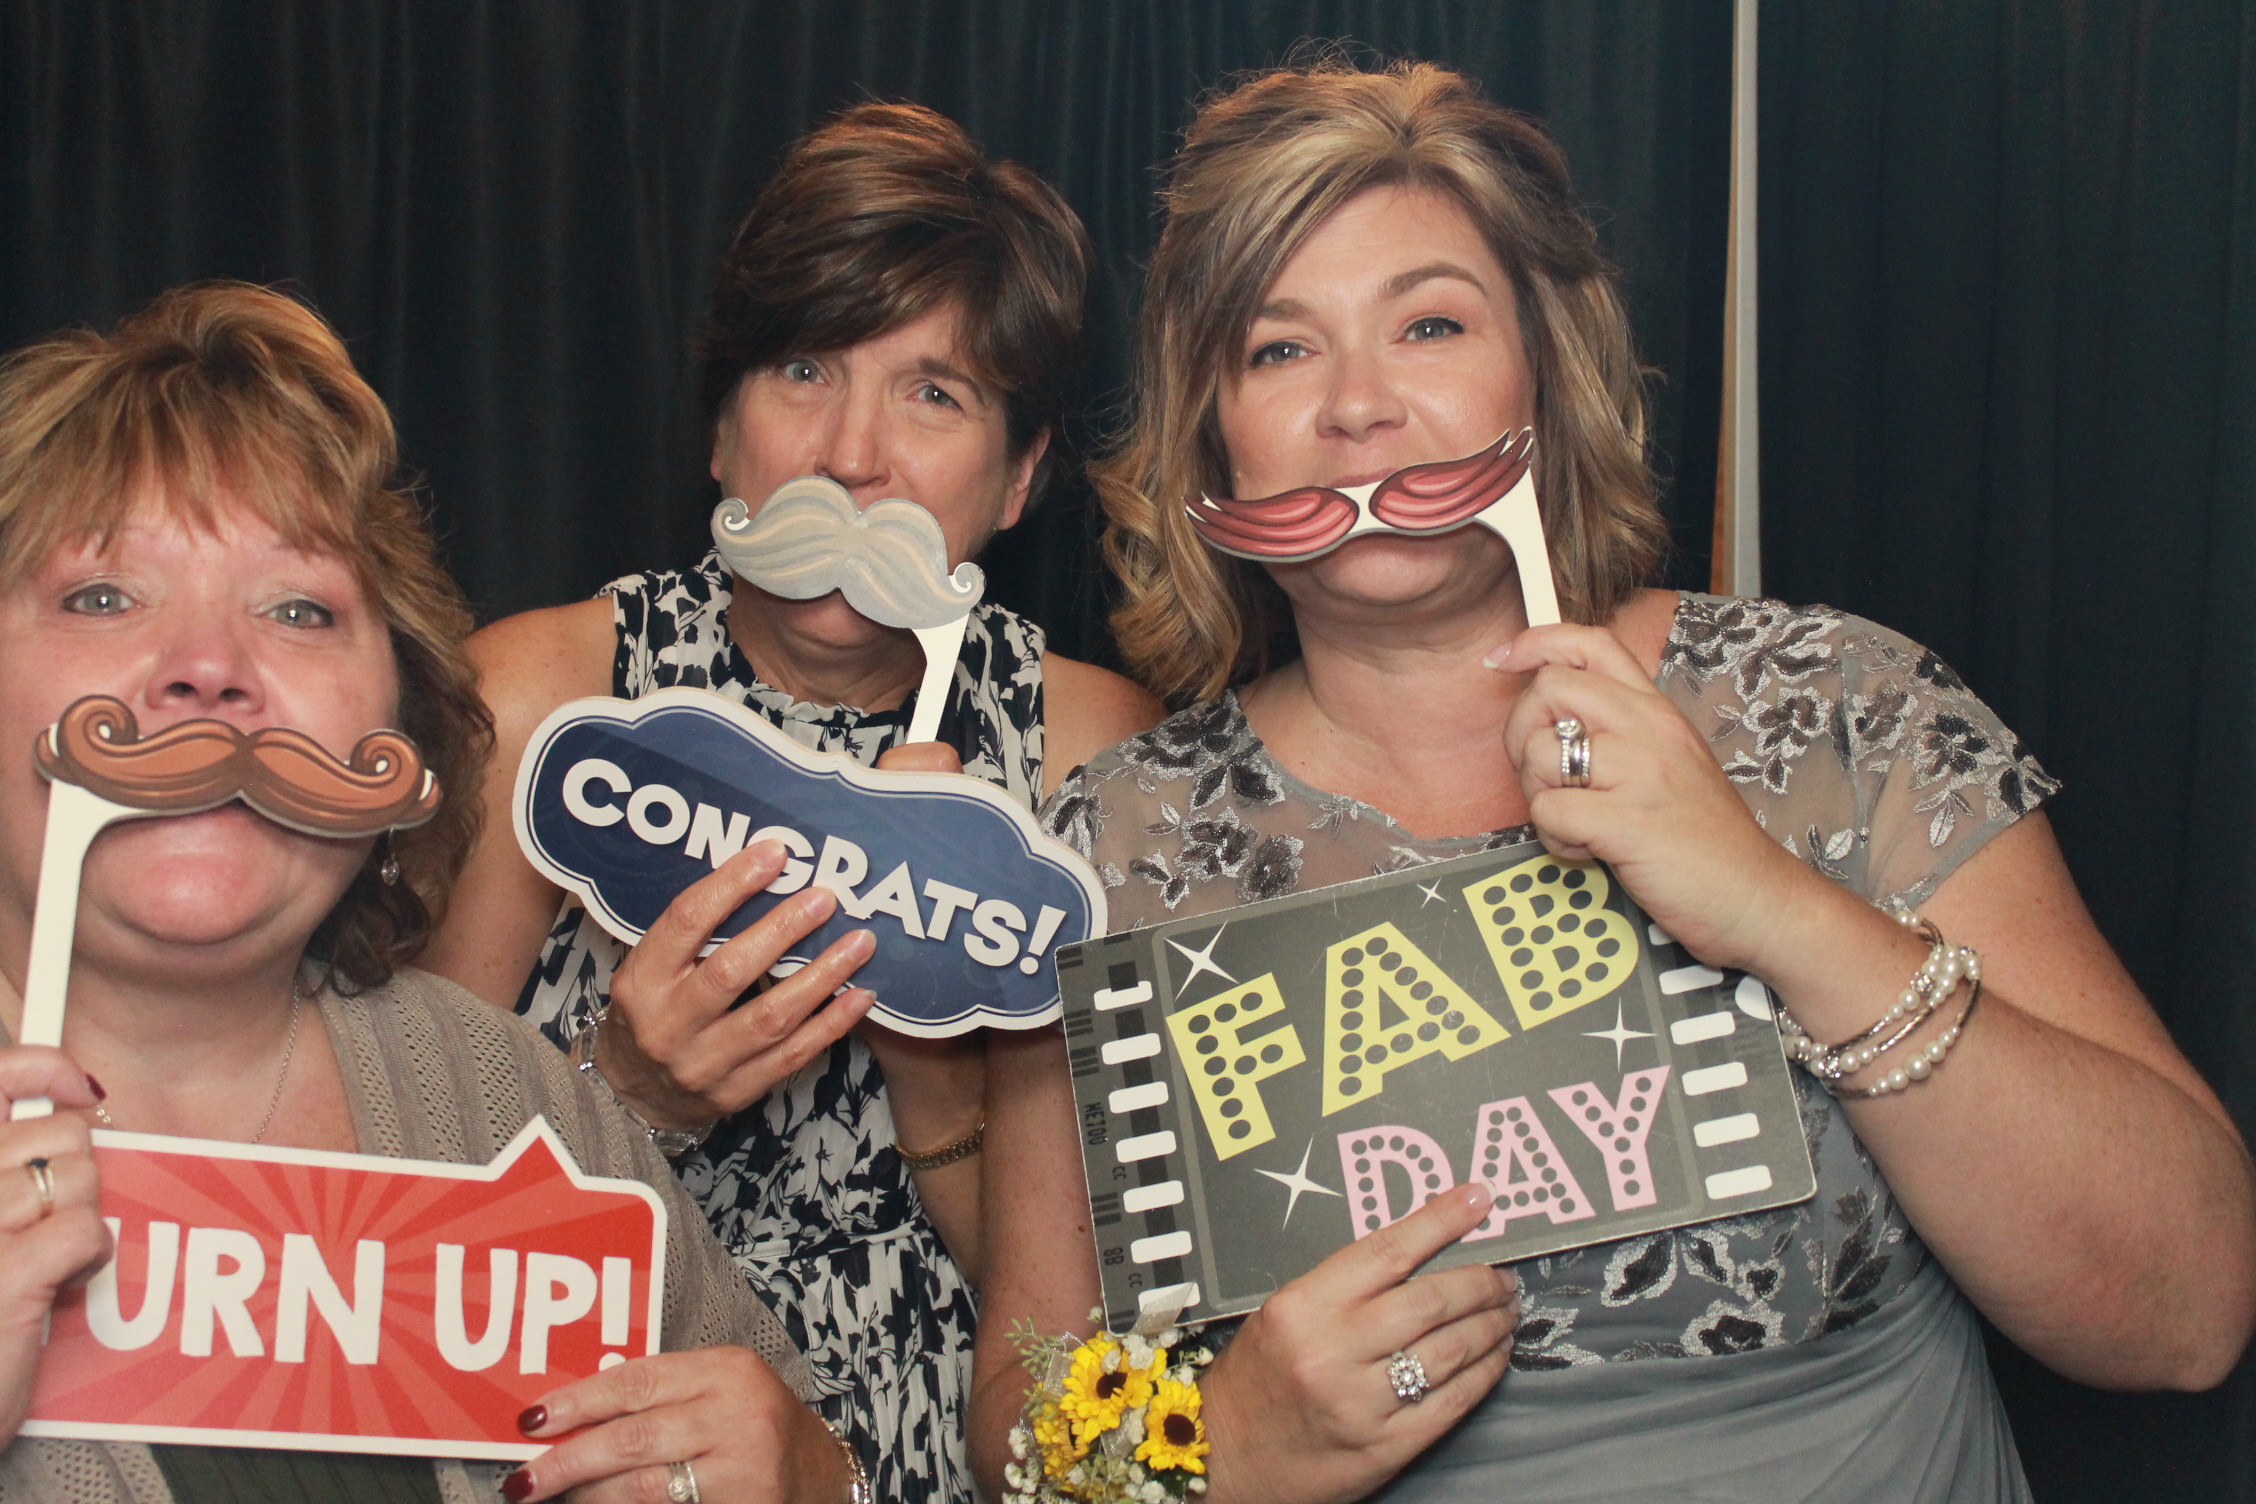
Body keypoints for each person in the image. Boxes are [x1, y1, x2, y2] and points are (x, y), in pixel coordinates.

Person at [973, 61, 2256, 1502]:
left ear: (1548, 372)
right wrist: (1221, 1451)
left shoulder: (1833, 709)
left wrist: (1775, 907)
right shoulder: (1105, 852)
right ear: (1211, 431)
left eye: (1432, 324)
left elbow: (2191, 1308)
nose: (1359, 408)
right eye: (1280, 350)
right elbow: (1021, 1410)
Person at [0, 283, 868, 1503]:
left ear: (397, 730)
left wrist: (802, 1479)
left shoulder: (513, 1109)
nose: (209, 671)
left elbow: (813, 1458)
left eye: (299, 608)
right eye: (102, 595)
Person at [422, 103, 1162, 1501]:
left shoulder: (1091, 755)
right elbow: (395, 1214)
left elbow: (1106, 1316)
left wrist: (942, 1078)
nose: (850, 455)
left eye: (934, 393)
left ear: (1019, 478)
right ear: (722, 432)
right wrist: (624, 1096)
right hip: (603, 1424)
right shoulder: (540, 701)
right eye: (802, 368)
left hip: (958, 1449)